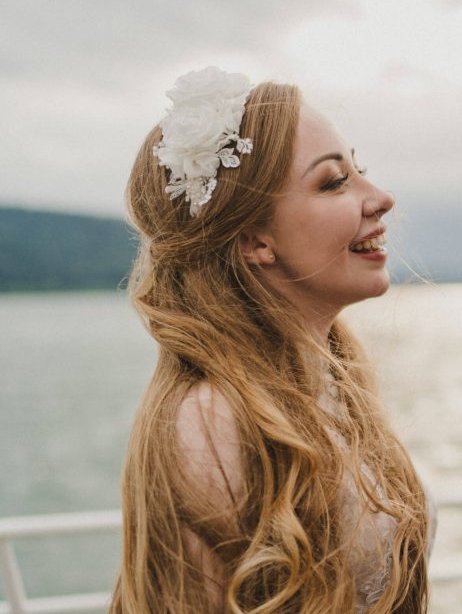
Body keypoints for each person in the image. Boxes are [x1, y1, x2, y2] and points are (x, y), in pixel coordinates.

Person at [111, 67, 431, 613]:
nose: (380, 198)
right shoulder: (213, 422)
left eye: (361, 171)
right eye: (334, 182)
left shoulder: (333, 383)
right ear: (256, 239)